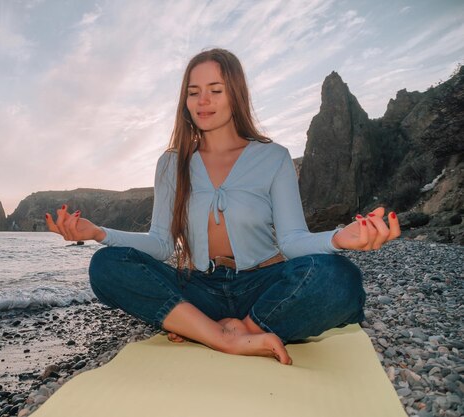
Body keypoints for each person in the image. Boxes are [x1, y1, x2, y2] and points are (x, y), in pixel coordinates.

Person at [45, 48, 400, 365]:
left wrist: (340, 238)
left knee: (341, 279)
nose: (203, 101)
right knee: (106, 265)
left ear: (235, 95)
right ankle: (222, 337)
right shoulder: (171, 164)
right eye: (193, 92)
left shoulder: (274, 158)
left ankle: (236, 327)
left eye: (215, 90)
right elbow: (160, 244)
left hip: (261, 285)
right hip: (200, 288)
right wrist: (97, 233)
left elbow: (292, 241)